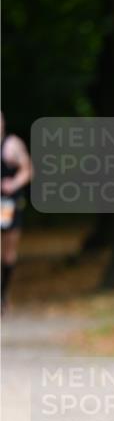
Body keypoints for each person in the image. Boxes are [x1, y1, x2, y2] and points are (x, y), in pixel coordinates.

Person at [1, 112, 33, 313]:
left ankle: (3, 294)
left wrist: (13, 184)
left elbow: (28, 170)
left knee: (8, 252)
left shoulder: (12, 146)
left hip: (8, 205)